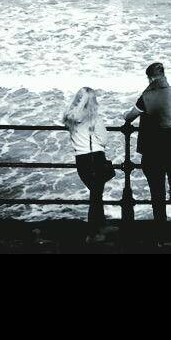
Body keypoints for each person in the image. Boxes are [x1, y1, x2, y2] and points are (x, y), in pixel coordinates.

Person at [124, 62, 171, 225]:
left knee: (157, 191)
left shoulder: (147, 96)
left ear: (150, 78)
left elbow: (129, 116)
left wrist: (125, 116)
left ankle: (161, 226)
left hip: (153, 150)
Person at [63, 86, 111, 235]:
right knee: (96, 197)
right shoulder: (94, 119)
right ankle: (93, 233)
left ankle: (100, 227)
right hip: (94, 158)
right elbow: (104, 140)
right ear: (92, 101)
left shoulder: (69, 118)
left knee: (95, 195)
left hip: (81, 160)